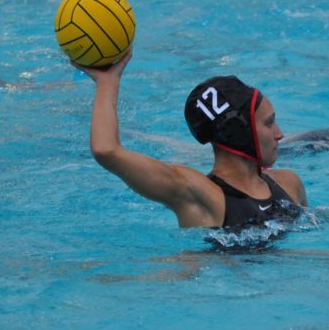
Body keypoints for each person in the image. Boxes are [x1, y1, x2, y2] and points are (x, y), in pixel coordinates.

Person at [75, 49, 307, 229]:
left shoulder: (289, 184)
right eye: (268, 123)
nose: (280, 134)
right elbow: (106, 150)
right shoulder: (202, 197)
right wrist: (108, 82)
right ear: (239, 131)